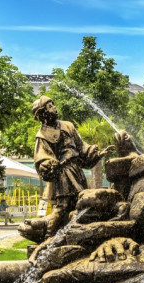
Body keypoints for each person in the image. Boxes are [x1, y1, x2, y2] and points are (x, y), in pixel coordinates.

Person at [30, 96, 115, 237]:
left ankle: (79, 233)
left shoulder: (68, 125)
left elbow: (82, 147)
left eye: (53, 104)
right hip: (63, 174)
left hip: (77, 171)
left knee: (82, 202)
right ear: (43, 113)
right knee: (62, 206)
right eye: (50, 106)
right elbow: (42, 157)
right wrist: (49, 165)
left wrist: (99, 153)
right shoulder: (42, 135)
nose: (54, 108)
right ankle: (49, 237)